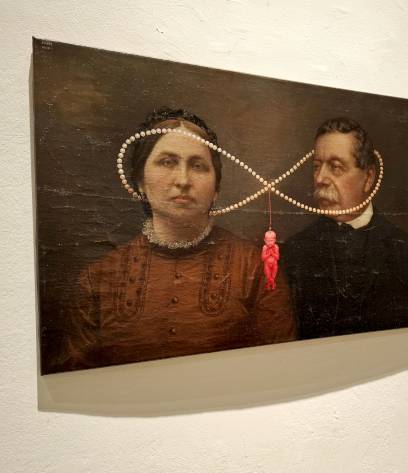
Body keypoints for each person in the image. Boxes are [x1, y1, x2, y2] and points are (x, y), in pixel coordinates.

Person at [56, 108, 296, 372]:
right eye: (167, 162)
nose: (183, 180)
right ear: (140, 181)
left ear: (216, 189)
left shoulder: (255, 268)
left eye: (197, 166)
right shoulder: (97, 278)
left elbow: (277, 369)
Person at [282, 117, 408, 339]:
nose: (320, 178)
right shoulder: (294, 250)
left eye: (335, 167)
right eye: (316, 167)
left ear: (368, 178)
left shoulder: (405, 251)